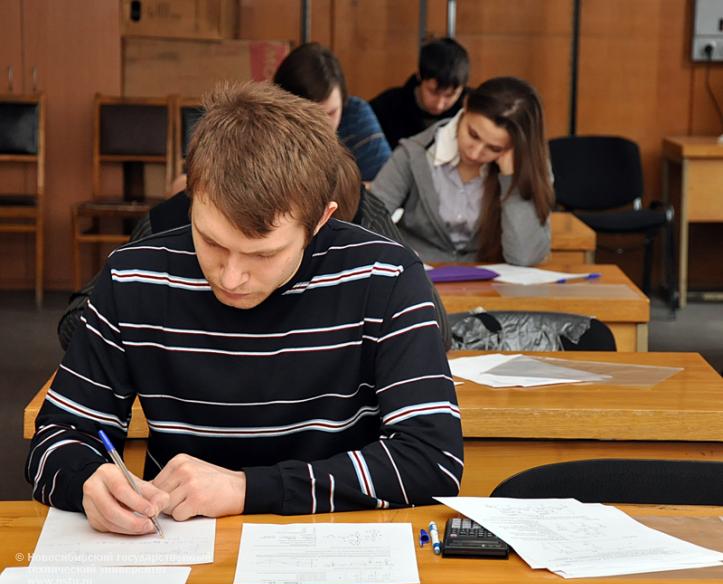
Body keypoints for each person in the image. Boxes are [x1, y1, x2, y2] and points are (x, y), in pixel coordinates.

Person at [27, 81, 463, 534]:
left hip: (334, 541)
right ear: (191, 194)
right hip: (177, 543)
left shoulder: (387, 276)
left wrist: (247, 489)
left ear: (321, 219)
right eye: (211, 241)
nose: (231, 277)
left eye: (263, 254)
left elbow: (432, 459)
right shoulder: (133, 277)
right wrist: (87, 482)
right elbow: (56, 439)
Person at [57, 155, 452, 351]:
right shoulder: (175, 220)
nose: (233, 275)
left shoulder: (364, 216)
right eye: (213, 242)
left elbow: (433, 327)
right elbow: (79, 321)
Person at [369, 76, 553, 265]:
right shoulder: (414, 153)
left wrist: (512, 179)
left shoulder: (527, 169)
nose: (475, 153)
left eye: (494, 148)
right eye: (473, 134)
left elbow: (524, 257)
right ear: (464, 106)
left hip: (491, 288)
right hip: (414, 280)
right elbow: (367, 225)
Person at [273, 42, 391, 182]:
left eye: (332, 112)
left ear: (342, 99)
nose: (326, 124)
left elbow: (386, 185)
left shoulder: (356, 115)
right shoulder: (272, 130)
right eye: (314, 116)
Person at [370, 37, 469, 149]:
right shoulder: (386, 107)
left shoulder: (472, 110)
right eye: (432, 92)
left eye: (450, 95)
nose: (439, 105)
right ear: (419, 76)